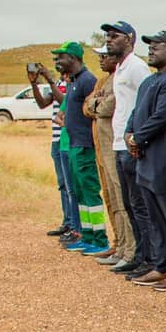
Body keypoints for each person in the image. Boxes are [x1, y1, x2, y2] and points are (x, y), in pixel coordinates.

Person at [125, 31, 166, 291]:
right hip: (145, 157)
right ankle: (161, 265)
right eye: (150, 46)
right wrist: (130, 135)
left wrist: (137, 139)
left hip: (164, 157)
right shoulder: (150, 81)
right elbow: (135, 112)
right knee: (154, 214)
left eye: (158, 46)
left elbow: (163, 117)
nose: (151, 50)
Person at [100, 21, 154, 274]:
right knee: (130, 203)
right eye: (107, 36)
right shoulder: (120, 68)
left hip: (131, 144)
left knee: (140, 205)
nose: (109, 40)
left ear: (130, 39)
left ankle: (148, 257)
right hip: (118, 142)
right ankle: (138, 255)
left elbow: (148, 100)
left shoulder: (136, 67)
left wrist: (138, 138)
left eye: (115, 36)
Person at [55, 42, 109, 254]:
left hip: (85, 145)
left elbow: (94, 110)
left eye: (61, 57)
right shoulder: (74, 81)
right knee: (79, 192)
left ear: (74, 58)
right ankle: (87, 235)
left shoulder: (87, 80)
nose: (58, 62)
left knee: (90, 192)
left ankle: (99, 239)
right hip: (74, 144)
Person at [87, 42, 138, 267]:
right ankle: (120, 243)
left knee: (123, 199)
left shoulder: (128, 73)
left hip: (117, 144)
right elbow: (87, 107)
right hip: (105, 146)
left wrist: (96, 103)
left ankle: (131, 250)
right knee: (112, 198)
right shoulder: (104, 80)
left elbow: (106, 108)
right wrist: (96, 103)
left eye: (104, 56)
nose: (101, 60)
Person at [26, 60, 78, 243]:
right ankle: (67, 221)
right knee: (63, 184)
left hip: (67, 140)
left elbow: (65, 103)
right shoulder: (59, 84)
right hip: (56, 140)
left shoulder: (72, 84)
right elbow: (42, 104)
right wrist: (33, 83)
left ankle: (74, 224)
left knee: (71, 186)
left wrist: (49, 81)